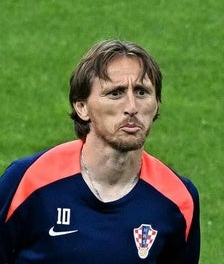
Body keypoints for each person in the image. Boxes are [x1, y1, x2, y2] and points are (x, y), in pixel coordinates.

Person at [0, 39, 200, 263]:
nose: (132, 107)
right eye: (115, 93)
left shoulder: (177, 198)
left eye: (142, 92)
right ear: (82, 107)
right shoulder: (28, 181)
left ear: (156, 105)